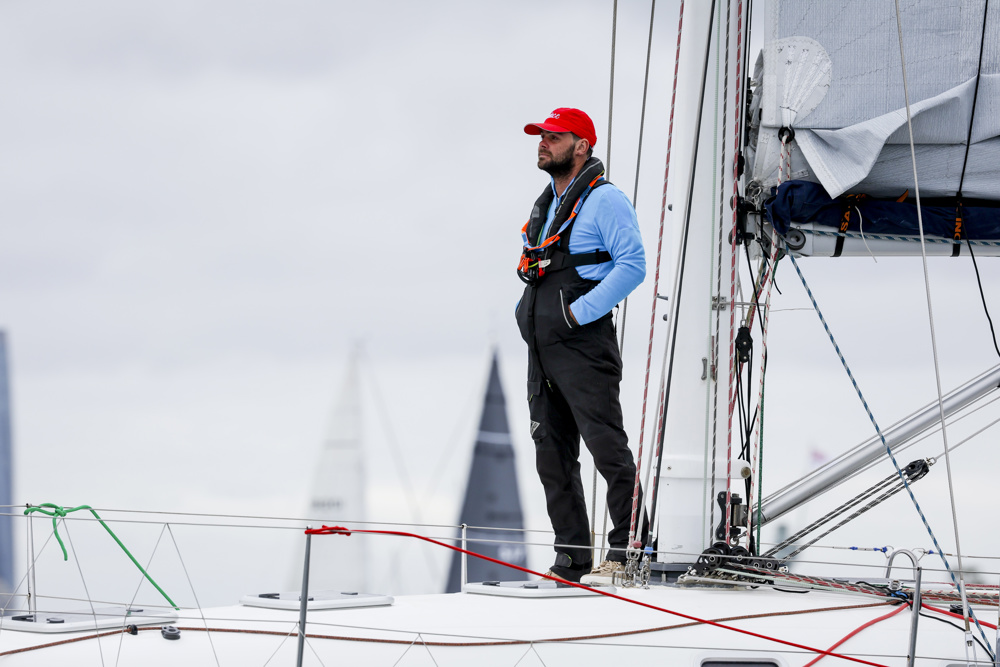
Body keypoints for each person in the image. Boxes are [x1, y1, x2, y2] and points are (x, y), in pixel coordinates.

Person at [515, 107, 649, 584]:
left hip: (582, 344)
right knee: (551, 455)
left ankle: (630, 550)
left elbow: (632, 264)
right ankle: (571, 560)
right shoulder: (548, 202)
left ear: (582, 146)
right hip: (543, 349)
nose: (543, 142)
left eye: (554, 136)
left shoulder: (606, 200)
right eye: (541, 135)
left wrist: (576, 314)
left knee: (606, 448)